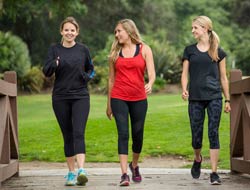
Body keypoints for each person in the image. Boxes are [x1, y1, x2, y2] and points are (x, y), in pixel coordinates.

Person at [43, 16, 95, 186]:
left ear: (77, 32)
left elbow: (91, 70)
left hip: (80, 96)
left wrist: (86, 77)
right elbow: (46, 71)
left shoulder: (83, 50)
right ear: (61, 31)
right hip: (60, 98)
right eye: (66, 30)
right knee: (68, 135)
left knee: (79, 132)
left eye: (72, 30)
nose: (69, 33)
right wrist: (55, 64)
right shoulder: (54, 49)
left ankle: (81, 170)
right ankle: (71, 173)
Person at [181, 15, 231, 185]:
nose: (192, 30)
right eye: (192, 27)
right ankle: (197, 158)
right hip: (195, 98)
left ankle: (214, 173)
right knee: (196, 136)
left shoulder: (218, 51)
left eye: (195, 27)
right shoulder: (189, 50)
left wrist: (228, 100)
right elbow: (184, 73)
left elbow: (223, 78)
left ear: (205, 28)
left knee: (213, 133)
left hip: (214, 97)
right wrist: (184, 89)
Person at [106, 19, 155, 186]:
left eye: (119, 31)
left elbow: (152, 72)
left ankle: (134, 165)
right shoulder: (114, 52)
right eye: (116, 32)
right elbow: (111, 79)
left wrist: (150, 83)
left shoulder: (144, 49)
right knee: (123, 134)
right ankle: (124, 174)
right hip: (119, 97)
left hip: (139, 98)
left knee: (138, 135)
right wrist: (109, 104)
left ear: (128, 31)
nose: (117, 34)